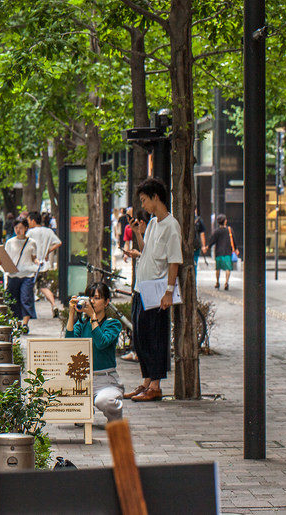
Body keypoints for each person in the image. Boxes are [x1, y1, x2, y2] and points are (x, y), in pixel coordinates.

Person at [122, 177, 181, 403]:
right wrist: (138, 234)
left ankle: (155, 386)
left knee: (154, 338)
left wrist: (169, 291)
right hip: (142, 288)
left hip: (157, 291)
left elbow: (174, 261)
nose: (143, 205)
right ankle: (146, 381)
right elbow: (147, 251)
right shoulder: (154, 223)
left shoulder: (171, 226)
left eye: (144, 200)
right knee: (141, 337)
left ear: (156, 197)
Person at [65, 283, 124, 424]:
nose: (92, 301)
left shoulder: (112, 324)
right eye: (90, 297)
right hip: (83, 380)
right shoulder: (82, 324)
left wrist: (93, 317)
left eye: (97, 298)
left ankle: (115, 418)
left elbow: (101, 343)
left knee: (104, 401)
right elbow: (69, 344)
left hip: (106, 380)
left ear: (106, 302)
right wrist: (71, 313)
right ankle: (85, 412)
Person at [2, 218, 38, 333]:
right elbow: (5, 258)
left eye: (21, 228)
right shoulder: (10, 242)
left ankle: (25, 324)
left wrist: (37, 262)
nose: (18, 230)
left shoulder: (32, 242)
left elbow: (33, 257)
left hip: (28, 274)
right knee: (14, 300)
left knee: (26, 298)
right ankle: (18, 323)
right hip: (13, 274)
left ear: (26, 228)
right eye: (16, 228)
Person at [26, 211, 61, 318]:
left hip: (32, 265)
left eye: (28, 221)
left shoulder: (30, 232)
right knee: (43, 287)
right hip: (43, 265)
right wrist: (48, 251)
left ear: (33, 221)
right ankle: (54, 305)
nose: (28, 223)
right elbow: (58, 243)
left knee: (28, 288)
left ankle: (29, 312)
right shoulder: (48, 231)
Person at [205, 214, 236, 290]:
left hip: (219, 252)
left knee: (218, 268)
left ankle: (217, 282)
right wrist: (236, 248)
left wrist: (207, 247)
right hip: (227, 252)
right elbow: (233, 240)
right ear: (225, 221)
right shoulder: (229, 230)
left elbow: (212, 241)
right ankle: (226, 282)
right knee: (228, 268)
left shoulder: (217, 231)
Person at [193, 208, 207, 275]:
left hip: (185, 246)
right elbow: (202, 234)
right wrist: (203, 246)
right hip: (195, 246)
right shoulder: (199, 220)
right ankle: (194, 279)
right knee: (194, 264)